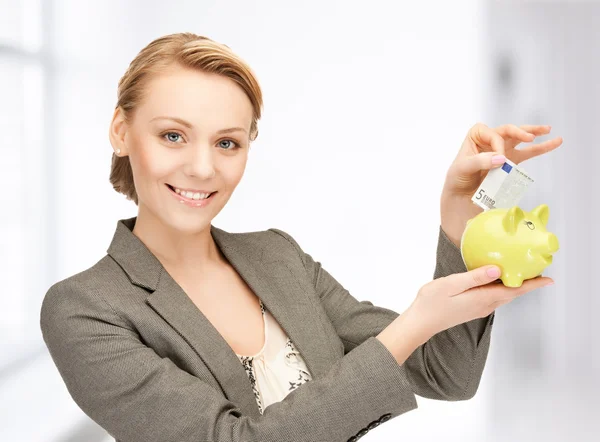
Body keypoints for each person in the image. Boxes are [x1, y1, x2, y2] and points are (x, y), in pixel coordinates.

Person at [39, 32, 563, 442]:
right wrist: (414, 323)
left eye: (227, 142)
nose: (202, 168)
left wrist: (457, 222)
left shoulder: (277, 256)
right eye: (172, 135)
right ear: (121, 131)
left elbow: (445, 373)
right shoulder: (85, 308)